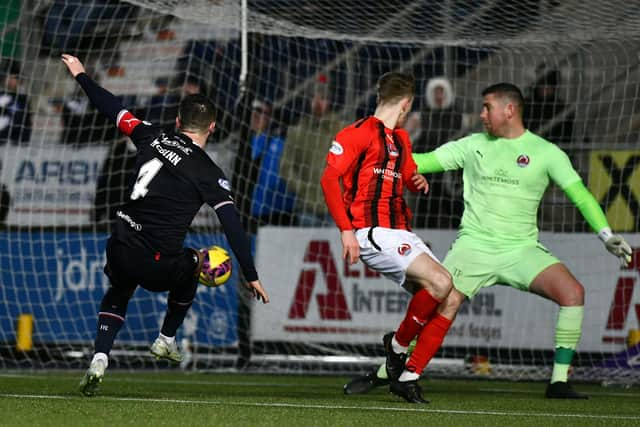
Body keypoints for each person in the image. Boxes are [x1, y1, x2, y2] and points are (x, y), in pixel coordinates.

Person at [343, 82, 632, 400]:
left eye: (487, 107)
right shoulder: (473, 145)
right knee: (444, 299)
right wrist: (384, 157)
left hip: (522, 249)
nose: (481, 114)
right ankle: (403, 372)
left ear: (509, 110)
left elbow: (579, 194)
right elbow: (421, 162)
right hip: (474, 246)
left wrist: (605, 234)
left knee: (573, 293)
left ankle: (559, 382)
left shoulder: (546, 153)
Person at [60, 54, 269, 397]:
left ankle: (99, 356)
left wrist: (81, 75)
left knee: (119, 289)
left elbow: (111, 107)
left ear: (177, 120)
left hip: (121, 241)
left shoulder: (150, 135)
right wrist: (250, 274)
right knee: (193, 262)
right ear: (212, 128)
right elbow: (232, 225)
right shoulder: (210, 173)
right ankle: (166, 338)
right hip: (158, 260)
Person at [320, 72, 453, 404]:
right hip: (371, 231)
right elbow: (328, 179)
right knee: (440, 281)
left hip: (399, 232)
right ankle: (396, 348)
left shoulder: (402, 140)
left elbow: (405, 175)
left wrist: (416, 181)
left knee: (449, 298)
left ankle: (405, 377)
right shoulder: (357, 133)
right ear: (407, 104)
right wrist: (346, 232)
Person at [280, 74, 345, 226]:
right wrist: (301, 187)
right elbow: (286, 166)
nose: (318, 102)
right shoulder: (297, 131)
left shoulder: (342, 131)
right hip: (306, 206)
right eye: (314, 97)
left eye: (322, 98)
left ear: (329, 101)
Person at [411, 77, 464, 229]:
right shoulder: (420, 116)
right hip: (429, 173)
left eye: (442, 92)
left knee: (455, 210)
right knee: (427, 210)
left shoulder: (458, 117)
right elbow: (407, 138)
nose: (439, 96)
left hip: (452, 174)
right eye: (436, 92)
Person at [523, 67, 575, 145]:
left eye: (549, 85)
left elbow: (568, 137)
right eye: (542, 84)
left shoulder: (562, 109)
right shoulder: (525, 106)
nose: (545, 89)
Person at [0, 59, 32, 145]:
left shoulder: (22, 98)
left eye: (14, 78)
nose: (10, 80)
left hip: (17, 138)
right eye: (8, 77)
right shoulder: (2, 95)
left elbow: (23, 120)